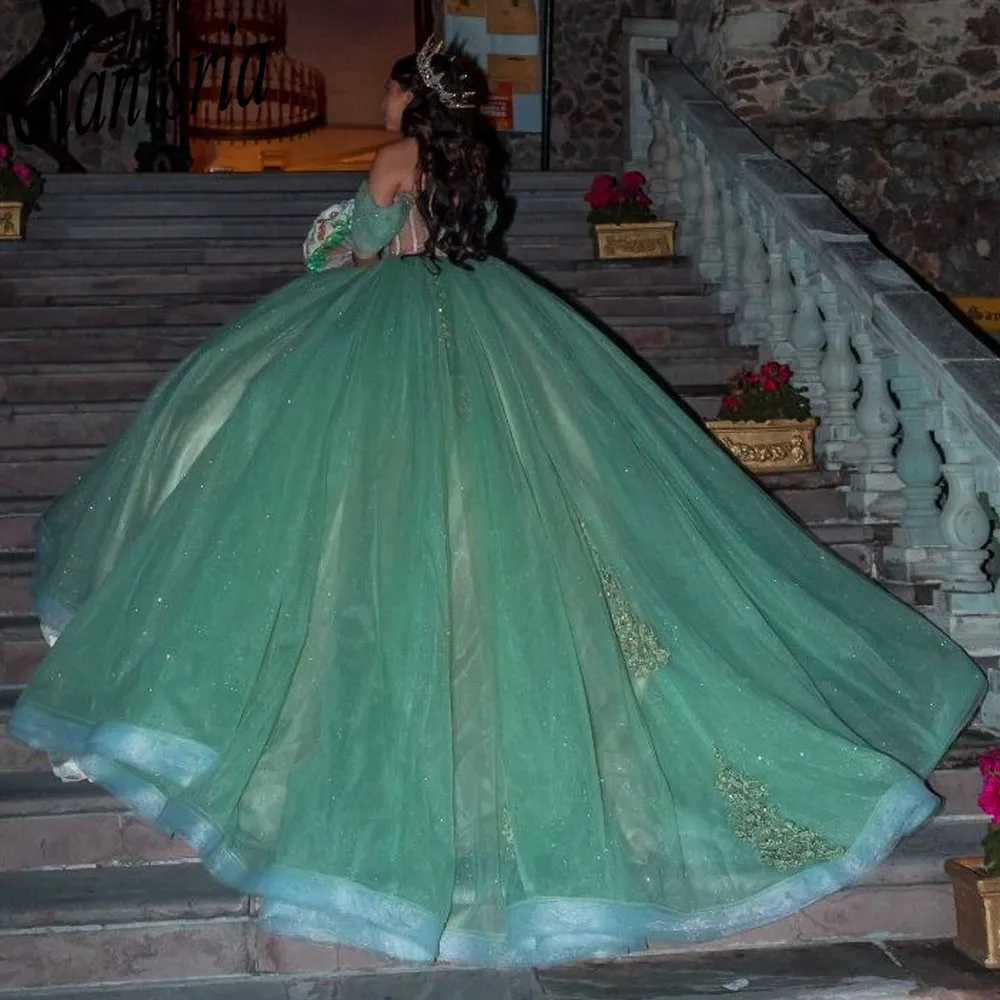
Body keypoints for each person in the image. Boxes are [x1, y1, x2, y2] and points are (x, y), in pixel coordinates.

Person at [7, 37, 986, 968]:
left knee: (297, 475)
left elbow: (354, 253)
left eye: (394, 91)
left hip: (384, 334)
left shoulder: (393, 157)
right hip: (481, 323)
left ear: (408, 99)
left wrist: (333, 246)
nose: (387, 103)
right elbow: (462, 241)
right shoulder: (471, 159)